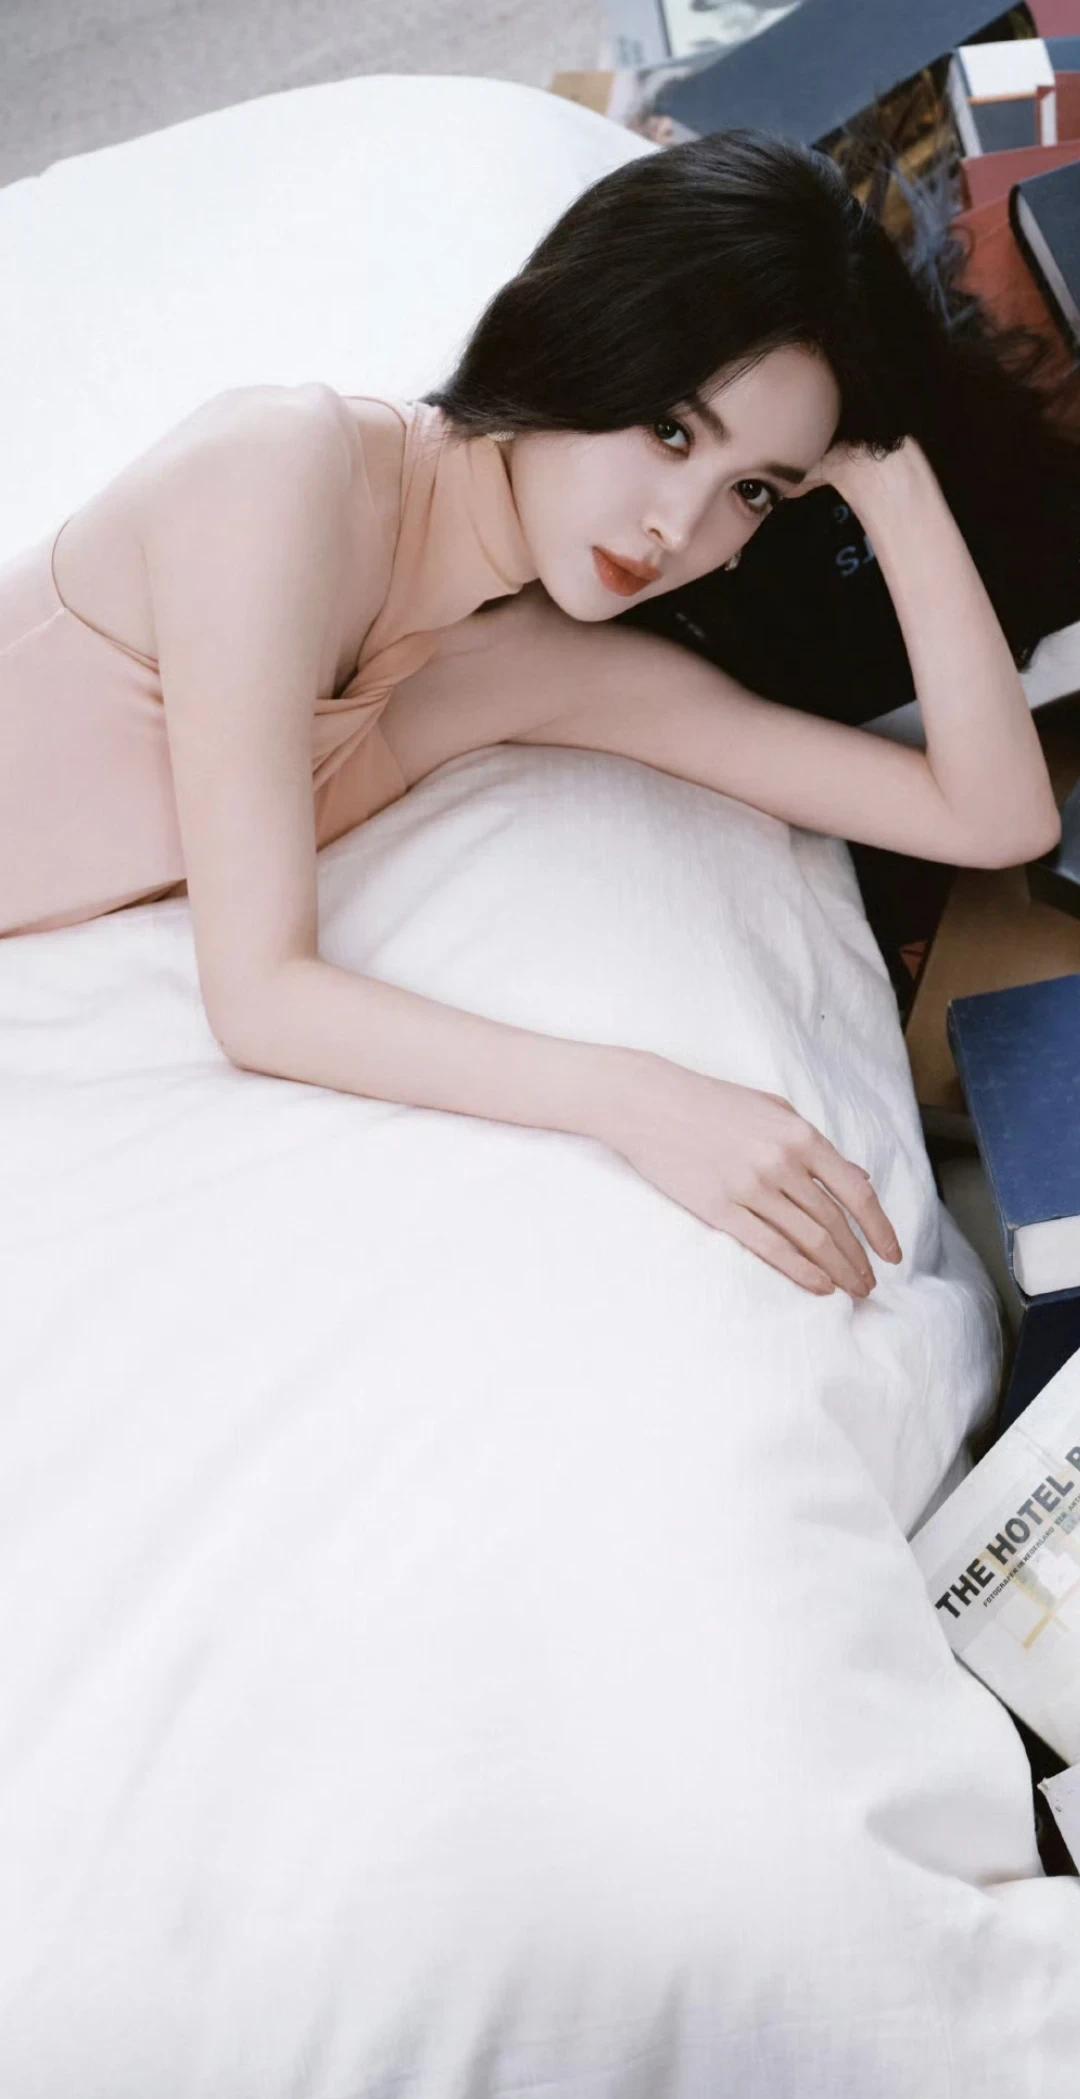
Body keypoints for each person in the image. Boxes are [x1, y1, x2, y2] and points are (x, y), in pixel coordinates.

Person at [0, 130, 1071, 1300]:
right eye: (672, 431)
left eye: (753, 492)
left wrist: (890, 474)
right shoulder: (279, 471)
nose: (678, 528)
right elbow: (259, 997)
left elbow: (996, 818)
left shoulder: (541, 665)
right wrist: (644, 1099)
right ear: (575, 334)